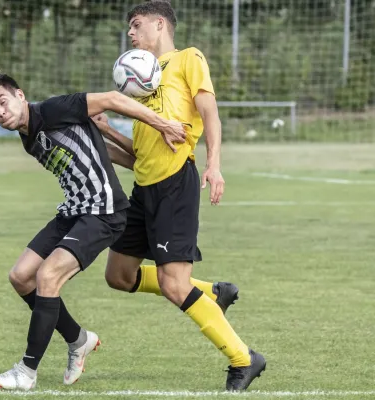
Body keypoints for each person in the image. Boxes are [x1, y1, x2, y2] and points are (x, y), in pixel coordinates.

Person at [0, 73, 186, 390]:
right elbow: (109, 154)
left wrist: (163, 125)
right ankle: (78, 339)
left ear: (19, 95)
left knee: (47, 277)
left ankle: (26, 372)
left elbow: (113, 100)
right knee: (21, 276)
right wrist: (107, 132)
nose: (0, 112)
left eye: (2, 102)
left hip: (103, 211)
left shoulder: (55, 109)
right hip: (74, 210)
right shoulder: (28, 136)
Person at [95, 0, 266, 391]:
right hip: (144, 189)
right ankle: (212, 293)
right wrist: (105, 132)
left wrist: (214, 163)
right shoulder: (143, 83)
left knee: (174, 285)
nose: (131, 33)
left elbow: (210, 114)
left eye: (136, 25)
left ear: (160, 24)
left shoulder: (188, 58)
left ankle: (244, 358)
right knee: (118, 276)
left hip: (176, 184)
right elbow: (139, 154)